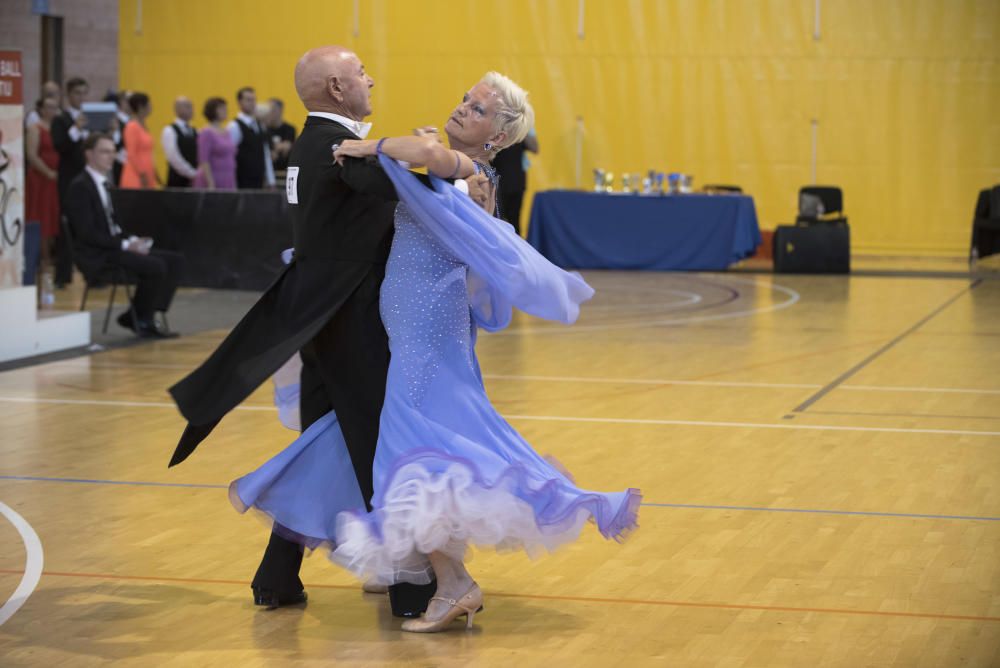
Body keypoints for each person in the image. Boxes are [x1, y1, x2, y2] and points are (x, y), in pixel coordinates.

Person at [231, 72, 639, 633]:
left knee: (410, 457)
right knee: (398, 451)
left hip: (425, 339)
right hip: (411, 333)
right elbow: (424, 157)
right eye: (466, 100)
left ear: (497, 136)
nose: (463, 108)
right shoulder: (452, 161)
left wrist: (370, 144)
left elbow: (423, 154)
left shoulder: (474, 173)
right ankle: (412, 567)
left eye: (478, 110)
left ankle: (452, 584)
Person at [168, 46, 482, 617]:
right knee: (374, 447)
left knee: (319, 447)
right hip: (349, 322)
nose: (371, 78)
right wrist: (465, 171)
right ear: (338, 88)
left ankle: (277, 576)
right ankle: (411, 590)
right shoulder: (338, 150)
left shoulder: (306, 144)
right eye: (361, 73)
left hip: (315, 320)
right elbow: (411, 191)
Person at [64, 133, 183, 338]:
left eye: (113, 151)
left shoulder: (104, 184)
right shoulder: (80, 187)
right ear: (89, 155)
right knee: (156, 266)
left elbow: (115, 225)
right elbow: (87, 233)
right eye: (104, 151)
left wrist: (132, 240)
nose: (111, 156)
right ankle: (142, 319)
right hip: (97, 254)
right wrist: (125, 246)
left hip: (113, 247)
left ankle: (141, 314)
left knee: (175, 261)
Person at [50, 77, 90, 287]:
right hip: (68, 178)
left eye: (84, 93)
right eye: (77, 93)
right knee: (66, 225)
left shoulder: (91, 118)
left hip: (87, 176)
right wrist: (76, 128)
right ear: (68, 95)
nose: (81, 97)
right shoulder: (61, 119)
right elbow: (60, 146)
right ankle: (62, 276)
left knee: (90, 224)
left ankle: (93, 275)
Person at [25, 97, 62, 268]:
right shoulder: (35, 128)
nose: (52, 111)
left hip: (54, 179)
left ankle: (51, 255)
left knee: (51, 216)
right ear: (41, 109)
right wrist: (48, 172)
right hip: (40, 179)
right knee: (39, 216)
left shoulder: (58, 128)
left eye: (55, 107)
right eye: (48, 107)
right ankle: (40, 258)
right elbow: (32, 155)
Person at [491, 128, 539, 235]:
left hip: (516, 181)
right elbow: (485, 148)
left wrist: (522, 127)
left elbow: (535, 148)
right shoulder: (494, 123)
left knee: (514, 220)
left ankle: (516, 248)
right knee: (496, 220)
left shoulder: (523, 127)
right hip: (496, 181)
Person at [228, 86, 275, 189]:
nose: (252, 103)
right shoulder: (234, 126)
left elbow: (265, 153)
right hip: (241, 181)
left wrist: (271, 180)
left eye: (254, 100)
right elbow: (229, 156)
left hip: (259, 181)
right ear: (239, 102)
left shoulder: (259, 125)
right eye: (248, 100)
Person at [193, 97, 237, 190]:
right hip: (213, 178)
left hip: (227, 177)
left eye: (226, 108)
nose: (226, 111)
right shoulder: (206, 132)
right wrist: (210, 183)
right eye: (221, 108)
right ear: (213, 111)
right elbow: (204, 160)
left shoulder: (227, 131)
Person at [119, 92, 160, 189]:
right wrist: (142, 174)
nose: (151, 107)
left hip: (147, 173)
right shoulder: (131, 126)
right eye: (149, 104)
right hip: (136, 175)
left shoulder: (143, 126)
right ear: (141, 107)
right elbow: (131, 153)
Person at [160, 96, 199, 187]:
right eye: (188, 107)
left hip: (193, 181)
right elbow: (173, 156)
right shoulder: (169, 130)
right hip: (177, 180)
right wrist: (190, 173)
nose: (192, 110)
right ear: (177, 109)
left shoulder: (195, 131)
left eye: (192, 107)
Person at [264, 97, 296, 181]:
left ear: (280, 110)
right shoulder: (264, 129)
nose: (269, 113)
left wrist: (274, 150)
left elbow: (287, 147)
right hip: (269, 174)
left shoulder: (290, 129)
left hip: (286, 173)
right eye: (267, 111)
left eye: (272, 110)